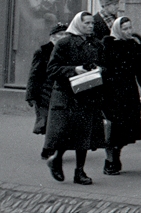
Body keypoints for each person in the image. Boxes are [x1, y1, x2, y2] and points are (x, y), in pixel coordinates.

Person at [43, 12, 105, 185]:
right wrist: (74, 70)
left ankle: (79, 172)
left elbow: (105, 65)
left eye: (92, 23)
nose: (91, 26)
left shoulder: (96, 44)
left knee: (83, 135)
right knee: (66, 134)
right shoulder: (64, 43)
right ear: (78, 24)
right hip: (67, 95)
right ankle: (56, 160)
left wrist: (100, 70)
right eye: (86, 23)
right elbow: (52, 69)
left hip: (88, 93)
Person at [99, 16, 141, 175]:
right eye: (125, 28)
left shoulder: (134, 46)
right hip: (111, 92)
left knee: (126, 128)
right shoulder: (107, 45)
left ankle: (116, 154)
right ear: (117, 29)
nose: (128, 31)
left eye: (130, 27)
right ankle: (110, 160)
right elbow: (101, 68)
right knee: (113, 127)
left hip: (128, 91)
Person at [27, 22, 68, 154]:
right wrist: (31, 95)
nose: (63, 37)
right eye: (60, 34)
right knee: (47, 121)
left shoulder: (66, 51)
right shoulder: (43, 51)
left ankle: (51, 148)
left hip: (59, 91)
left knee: (57, 121)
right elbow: (34, 74)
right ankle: (48, 148)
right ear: (52, 37)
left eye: (65, 34)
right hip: (44, 92)